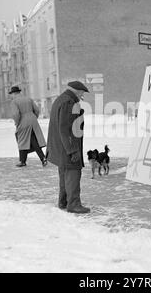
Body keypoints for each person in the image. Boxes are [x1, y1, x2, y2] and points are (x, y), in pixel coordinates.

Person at [46, 81, 90, 214]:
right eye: (82, 92)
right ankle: (74, 204)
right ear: (77, 91)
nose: (83, 95)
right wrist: (72, 150)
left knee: (64, 174)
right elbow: (65, 129)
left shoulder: (61, 100)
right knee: (73, 174)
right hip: (67, 147)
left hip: (61, 147)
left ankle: (63, 201)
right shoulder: (68, 103)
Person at [9, 86, 47, 168]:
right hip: (33, 120)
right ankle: (43, 158)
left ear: (14, 93)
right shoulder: (28, 99)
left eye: (11, 94)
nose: (11, 96)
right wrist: (33, 117)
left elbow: (16, 114)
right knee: (34, 140)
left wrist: (17, 123)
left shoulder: (14, 102)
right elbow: (37, 110)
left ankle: (22, 161)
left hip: (23, 121)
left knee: (21, 140)